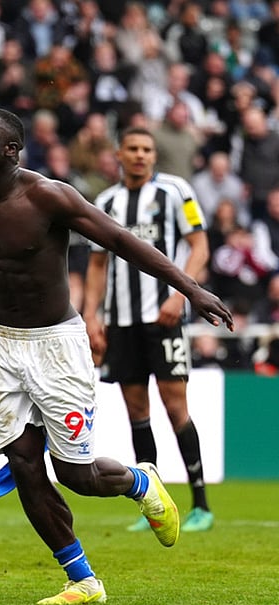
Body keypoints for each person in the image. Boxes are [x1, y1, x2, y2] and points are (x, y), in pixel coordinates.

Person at [0, 109, 233, 605]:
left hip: (58, 347)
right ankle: (82, 579)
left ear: (10, 151)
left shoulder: (47, 196)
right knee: (25, 463)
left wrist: (190, 289)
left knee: (76, 475)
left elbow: (123, 241)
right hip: (1, 346)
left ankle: (141, 481)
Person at [84, 126, 217, 534]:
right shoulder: (105, 201)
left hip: (165, 317)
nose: (141, 155)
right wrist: (92, 315)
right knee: (137, 412)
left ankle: (200, 505)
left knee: (175, 405)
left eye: (147, 149)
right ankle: (154, 505)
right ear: (119, 154)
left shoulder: (176, 191)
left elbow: (200, 246)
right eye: (133, 149)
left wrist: (181, 296)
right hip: (122, 322)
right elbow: (97, 264)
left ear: (154, 155)